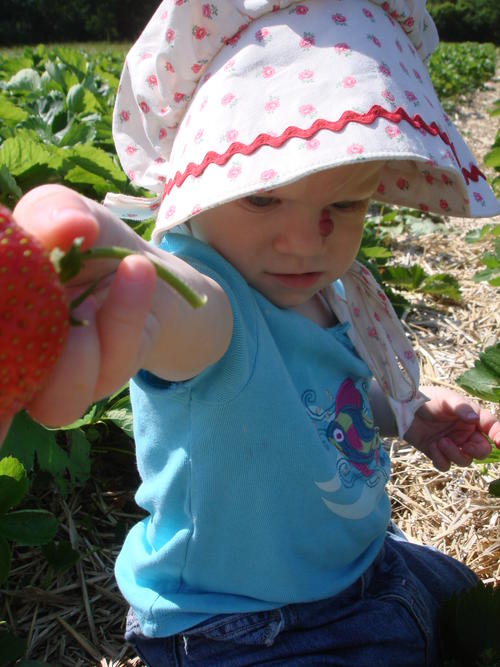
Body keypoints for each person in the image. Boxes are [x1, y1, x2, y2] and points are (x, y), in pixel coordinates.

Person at [10, 0, 500, 665]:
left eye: (343, 203)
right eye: (263, 197)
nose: (304, 241)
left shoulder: (328, 290)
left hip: (365, 569)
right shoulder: (212, 300)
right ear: (199, 182)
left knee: (464, 591)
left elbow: (332, 394)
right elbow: (175, 306)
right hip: (245, 625)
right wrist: (109, 257)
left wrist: (408, 411)